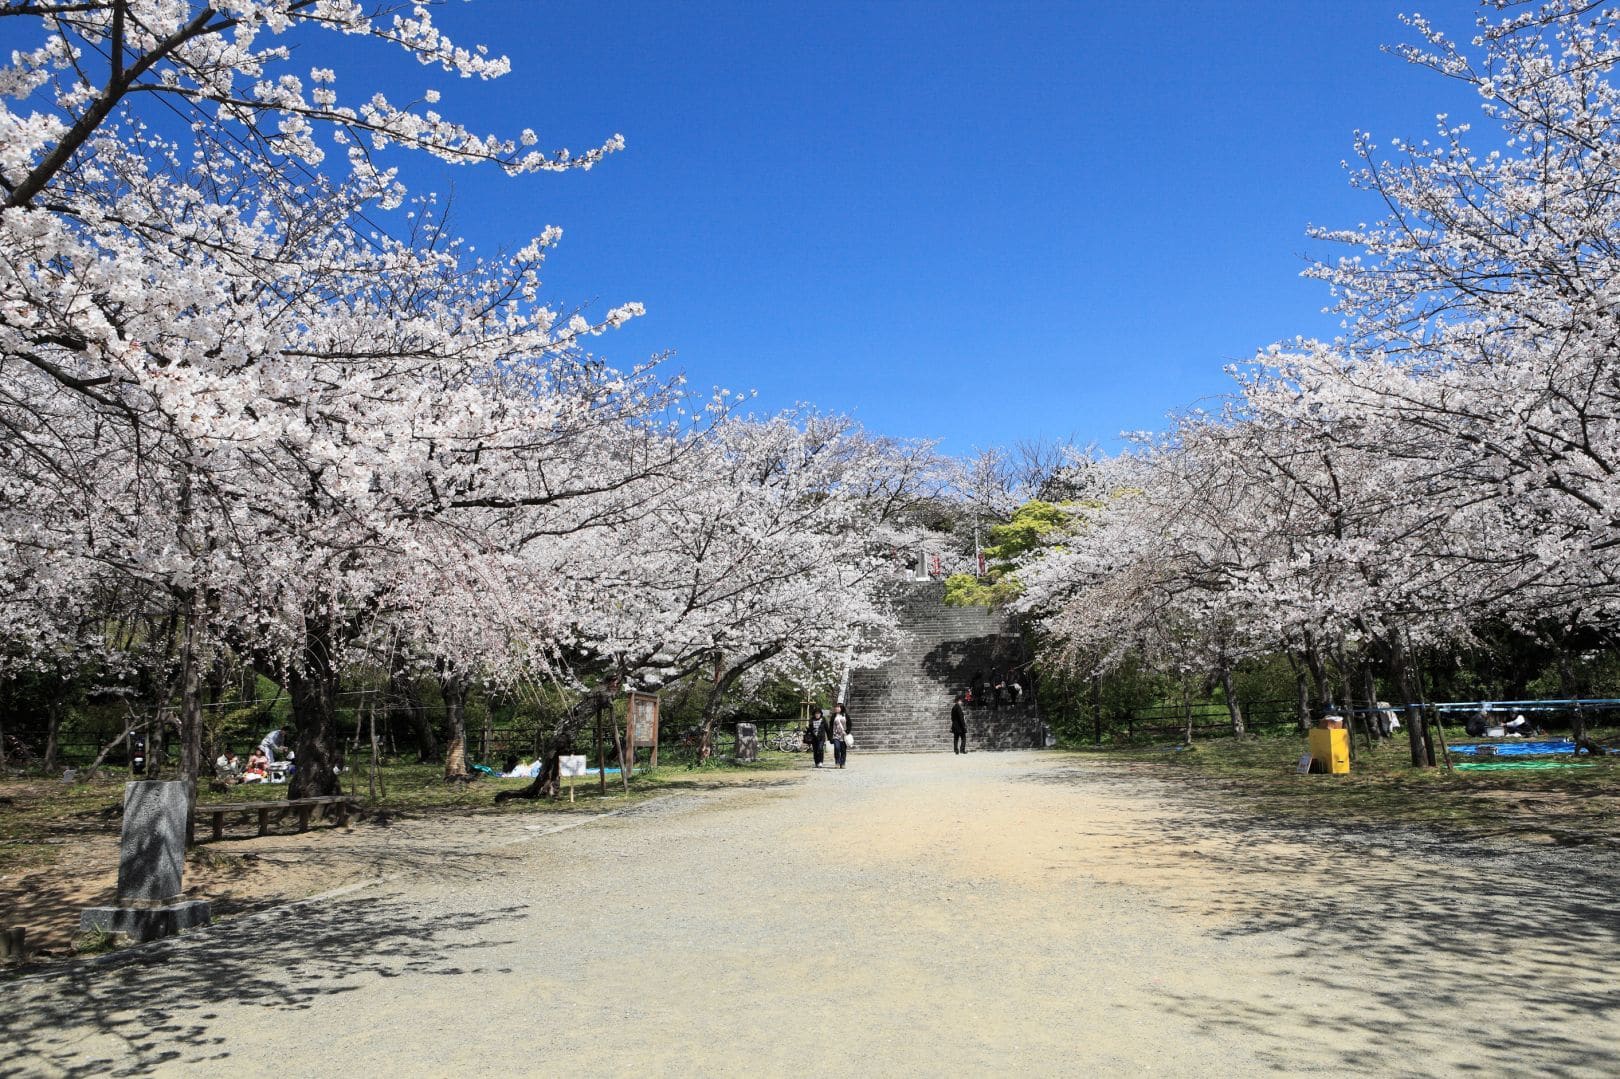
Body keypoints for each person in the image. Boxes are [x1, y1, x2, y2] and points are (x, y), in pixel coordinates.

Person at [830, 703, 851, 769]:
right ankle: (837, 762)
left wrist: (847, 732)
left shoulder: (845, 715)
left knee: (843, 750)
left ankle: (843, 763)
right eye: (836, 707)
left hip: (844, 735)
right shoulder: (833, 716)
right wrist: (830, 737)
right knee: (837, 748)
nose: (837, 708)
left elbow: (849, 724)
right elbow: (830, 726)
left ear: (841, 708)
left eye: (838, 707)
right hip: (835, 735)